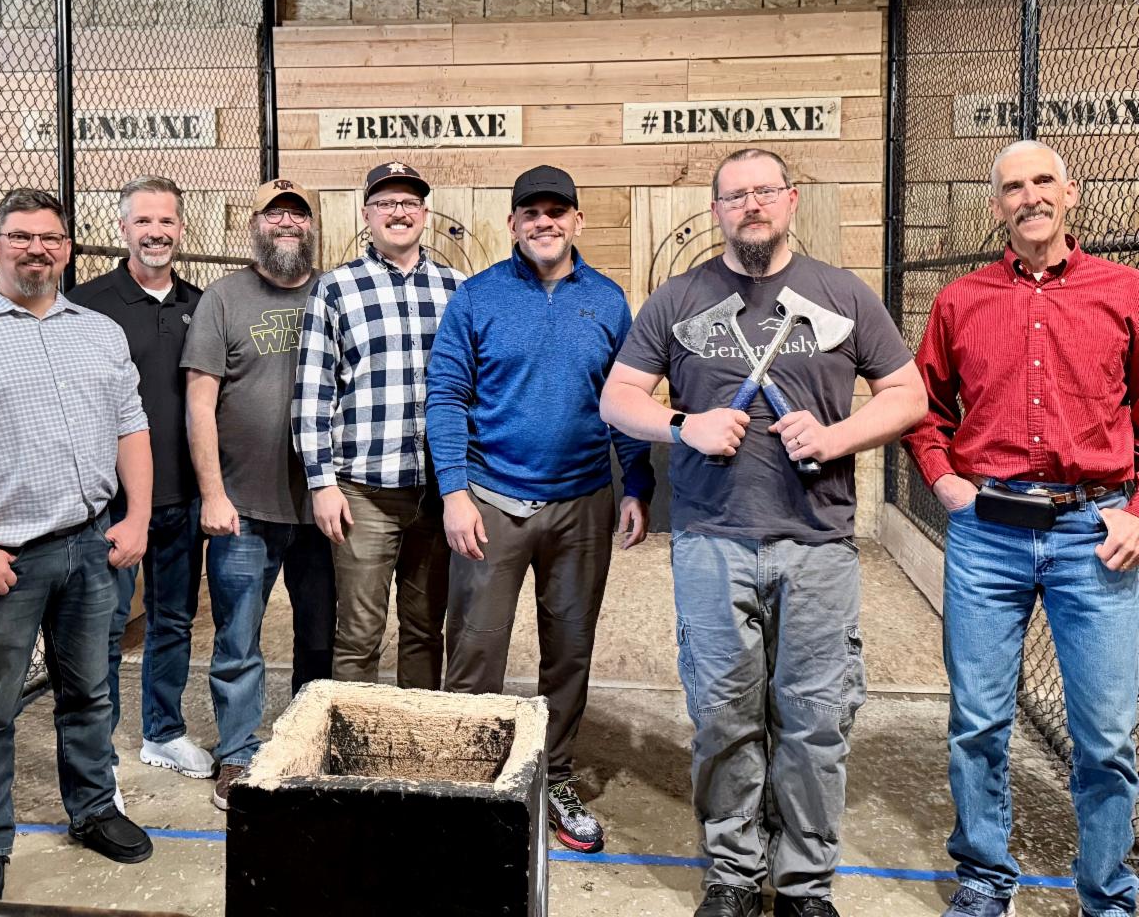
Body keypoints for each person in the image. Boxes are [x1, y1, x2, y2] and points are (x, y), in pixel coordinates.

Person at [600, 148, 926, 917]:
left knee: (815, 720)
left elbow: (908, 395)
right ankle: (734, 875)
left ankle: (804, 885)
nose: (752, 205)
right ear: (716, 210)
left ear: (791, 200)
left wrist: (838, 437)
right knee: (723, 716)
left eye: (765, 191)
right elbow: (618, 397)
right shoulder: (679, 298)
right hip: (712, 540)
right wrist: (683, 425)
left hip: (818, 543)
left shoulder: (842, 294)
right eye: (735, 195)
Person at [902, 139, 1139, 917]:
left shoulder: (1126, 292)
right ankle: (984, 877)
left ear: (1071, 194)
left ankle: (1107, 892)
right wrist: (943, 480)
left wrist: (1137, 514)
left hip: (1095, 531)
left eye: (1043, 181)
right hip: (988, 532)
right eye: (1013, 186)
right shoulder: (960, 302)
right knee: (977, 721)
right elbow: (924, 409)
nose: (1030, 196)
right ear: (996, 204)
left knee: (1106, 734)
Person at [426, 165, 655, 855]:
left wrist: (638, 484)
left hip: (581, 503)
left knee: (570, 650)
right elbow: (446, 396)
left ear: (577, 221)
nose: (544, 222)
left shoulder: (608, 301)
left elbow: (625, 401)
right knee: (475, 650)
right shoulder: (477, 297)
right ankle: (467, 785)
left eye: (557, 211)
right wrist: (454, 492)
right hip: (491, 501)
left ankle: (554, 776)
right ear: (513, 224)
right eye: (531, 212)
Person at [0, 189, 156, 898]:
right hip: (3, 558)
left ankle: (93, 810)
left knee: (89, 692)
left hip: (90, 547)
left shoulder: (98, 332)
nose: (37, 248)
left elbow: (131, 427)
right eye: (21, 236)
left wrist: (137, 517)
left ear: (67, 248)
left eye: (51, 238)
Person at [181, 178, 335, 811]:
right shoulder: (224, 298)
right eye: (275, 215)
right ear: (255, 225)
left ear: (313, 225)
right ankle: (238, 752)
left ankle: (308, 744)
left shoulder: (337, 290)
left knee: (320, 636)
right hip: (243, 505)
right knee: (238, 638)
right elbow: (199, 403)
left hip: (324, 504)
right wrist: (213, 494)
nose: (287, 223)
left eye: (298, 214)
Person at [294, 162, 463, 688]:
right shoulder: (335, 289)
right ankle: (351, 734)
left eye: (409, 203)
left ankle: (412, 729)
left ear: (425, 214)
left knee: (425, 629)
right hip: (363, 493)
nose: (399, 212)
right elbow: (313, 392)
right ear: (366, 214)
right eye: (386, 203)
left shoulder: (458, 288)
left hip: (437, 492)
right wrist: (321, 483)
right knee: (359, 635)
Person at [69, 177, 211, 798]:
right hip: (114, 504)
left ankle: (163, 731)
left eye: (167, 221)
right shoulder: (86, 304)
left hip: (182, 497)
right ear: (123, 228)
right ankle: (96, 755)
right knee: (102, 631)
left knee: (173, 620)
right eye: (144, 222)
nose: (156, 232)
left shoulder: (201, 304)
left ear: (181, 228)